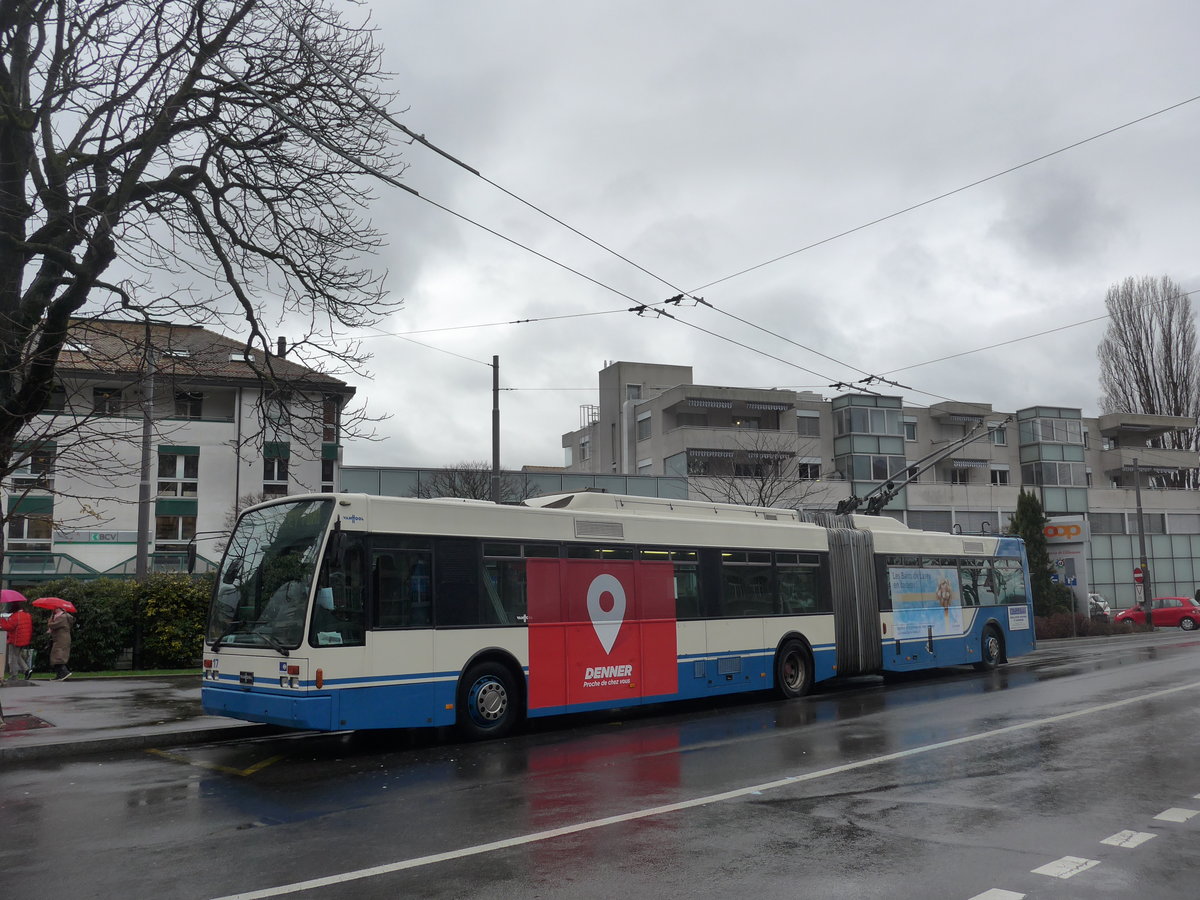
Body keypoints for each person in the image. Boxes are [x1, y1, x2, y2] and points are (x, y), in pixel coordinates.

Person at [1, 601, 34, 680]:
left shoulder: (15, 616)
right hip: (24, 639)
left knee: (12, 657)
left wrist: (2, 620)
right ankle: (27, 670)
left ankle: (14, 675)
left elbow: (9, 627)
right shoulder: (27, 615)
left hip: (15, 640)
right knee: (17, 656)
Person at [47, 607, 75, 680]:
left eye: (55, 608)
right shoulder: (61, 616)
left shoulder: (62, 617)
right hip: (60, 638)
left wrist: (49, 621)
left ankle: (65, 672)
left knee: (58, 656)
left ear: (59, 609)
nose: (53, 610)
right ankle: (60, 675)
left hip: (61, 639)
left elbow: (53, 625)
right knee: (57, 656)